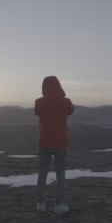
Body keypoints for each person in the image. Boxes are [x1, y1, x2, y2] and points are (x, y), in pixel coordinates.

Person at [34, 76, 74, 214]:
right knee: (60, 174)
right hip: (61, 142)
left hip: (44, 142)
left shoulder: (39, 102)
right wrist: (60, 95)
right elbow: (71, 110)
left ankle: (41, 204)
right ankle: (59, 205)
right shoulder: (65, 102)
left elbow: (37, 112)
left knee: (42, 173)